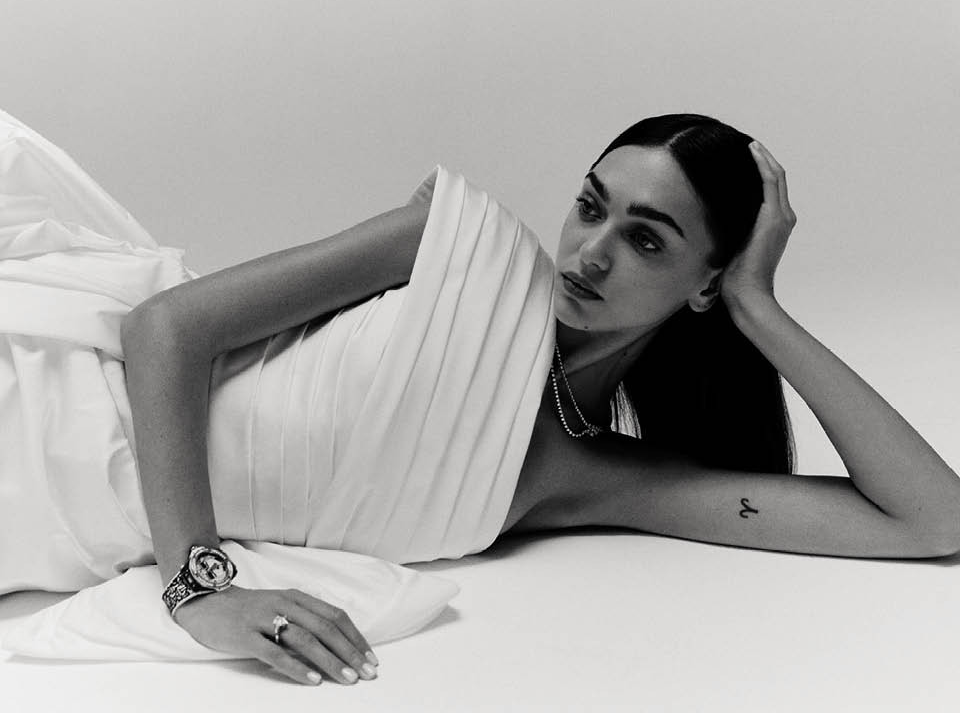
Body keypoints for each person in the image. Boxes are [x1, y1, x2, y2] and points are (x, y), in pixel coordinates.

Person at [4, 112, 959, 687]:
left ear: (707, 283)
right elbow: (166, 330)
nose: (591, 253)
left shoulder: (597, 476)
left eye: (647, 240)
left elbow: (930, 519)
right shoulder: (454, 249)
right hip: (48, 401)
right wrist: (201, 589)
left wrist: (761, 307)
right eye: (591, 206)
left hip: (51, 529)